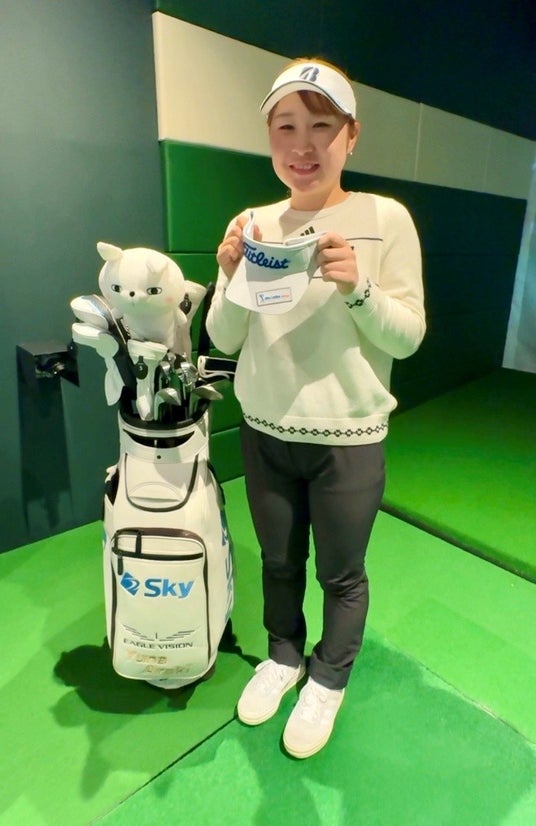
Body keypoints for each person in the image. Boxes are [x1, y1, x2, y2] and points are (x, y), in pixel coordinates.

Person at [206, 58, 425, 759]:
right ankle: (283, 656)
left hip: (348, 439)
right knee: (278, 561)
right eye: (286, 127)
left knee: (340, 572)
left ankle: (328, 677)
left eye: (321, 126)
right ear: (270, 137)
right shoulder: (253, 222)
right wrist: (229, 276)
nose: (303, 145)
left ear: (351, 135)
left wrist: (358, 288)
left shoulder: (385, 219)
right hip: (265, 430)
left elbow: (408, 336)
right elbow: (223, 337)